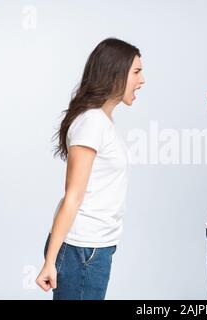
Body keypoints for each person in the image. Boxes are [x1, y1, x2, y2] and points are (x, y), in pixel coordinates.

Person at [35, 38, 145, 300]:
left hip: (94, 247)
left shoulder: (101, 120)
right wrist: (50, 261)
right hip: (83, 249)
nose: (142, 80)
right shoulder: (92, 122)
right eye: (137, 72)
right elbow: (73, 196)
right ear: (115, 73)